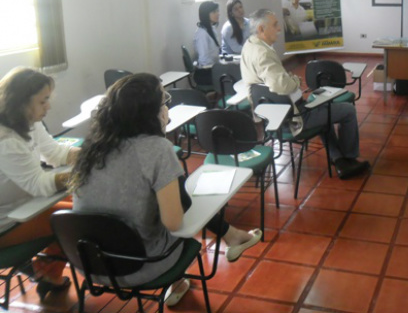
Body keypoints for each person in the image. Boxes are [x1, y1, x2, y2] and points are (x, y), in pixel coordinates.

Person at [70, 73, 260, 305]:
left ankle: (187, 276)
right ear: (153, 112)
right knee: (184, 211)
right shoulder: (157, 149)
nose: (167, 107)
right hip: (143, 265)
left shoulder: (91, 148)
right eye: (164, 101)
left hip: (92, 265)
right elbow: (174, 223)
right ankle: (226, 240)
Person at [241, 9, 370, 179]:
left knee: (325, 109)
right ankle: (349, 158)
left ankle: (338, 158)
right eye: (275, 25)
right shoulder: (263, 53)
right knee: (348, 110)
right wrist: (294, 80)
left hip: (271, 117)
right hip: (294, 119)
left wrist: (289, 80)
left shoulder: (249, 46)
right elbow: (282, 86)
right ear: (261, 29)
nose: (280, 28)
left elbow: (270, 83)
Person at [0, 67, 80, 301]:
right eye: (43, 101)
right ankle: (47, 272)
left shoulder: (29, 123)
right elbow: (39, 184)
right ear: (22, 103)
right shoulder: (5, 141)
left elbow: (55, 154)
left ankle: (45, 270)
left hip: (24, 208)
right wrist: (84, 170)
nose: (49, 106)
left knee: (83, 202)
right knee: (78, 216)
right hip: (6, 223)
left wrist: (92, 153)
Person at [193, 0, 221, 85]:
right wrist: (218, 67)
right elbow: (204, 60)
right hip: (205, 73)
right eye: (214, 12)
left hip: (212, 68)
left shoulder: (211, 29)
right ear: (206, 14)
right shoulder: (202, 33)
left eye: (217, 11)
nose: (218, 14)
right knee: (232, 75)